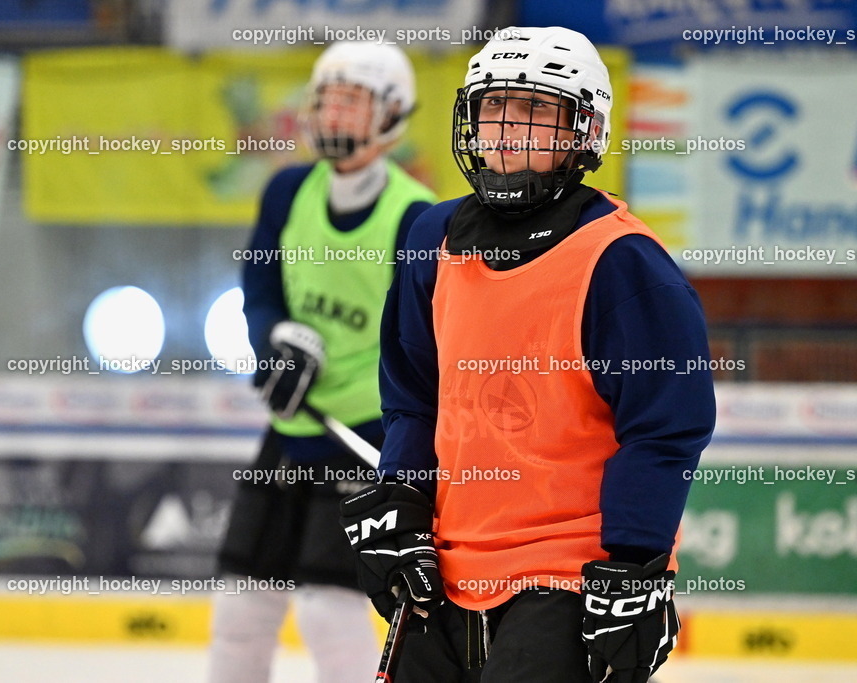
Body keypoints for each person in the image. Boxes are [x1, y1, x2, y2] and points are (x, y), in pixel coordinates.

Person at [338, 26, 716, 683]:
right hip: (448, 565)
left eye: (536, 110)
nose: (508, 128)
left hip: (567, 574)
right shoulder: (431, 236)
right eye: (493, 107)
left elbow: (664, 429)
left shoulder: (622, 261)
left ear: (584, 131)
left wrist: (636, 560)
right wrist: (403, 492)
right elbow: (413, 395)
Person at [208, 42, 436, 683]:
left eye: (352, 101)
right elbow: (259, 290)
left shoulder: (413, 217)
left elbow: (423, 342)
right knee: (240, 608)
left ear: (392, 116)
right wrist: (272, 343)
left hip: (365, 435)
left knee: (329, 612)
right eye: (327, 99)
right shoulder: (286, 191)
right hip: (291, 430)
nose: (334, 115)